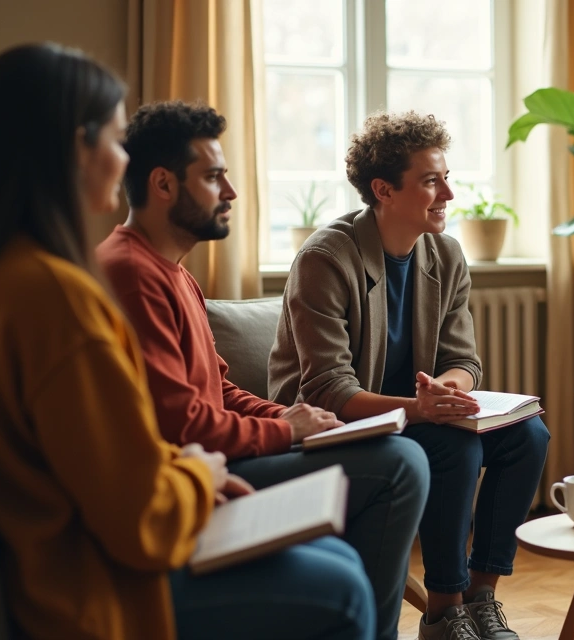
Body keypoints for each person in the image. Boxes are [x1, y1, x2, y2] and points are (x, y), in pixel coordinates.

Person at [0, 43, 374, 639]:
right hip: (83, 592)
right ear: (72, 149)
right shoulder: (55, 298)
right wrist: (200, 473)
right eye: (115, 141)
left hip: (43, 565)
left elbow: (92, 456)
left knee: (338, 561)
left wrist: (192, 467)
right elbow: (142, 518)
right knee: (344, 589)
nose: (123, 161)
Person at [97, 100, 429, 640]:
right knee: (401, 463)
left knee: (392, 466)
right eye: (213, 177)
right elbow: (183, 426)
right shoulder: (131, 274)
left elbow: (218, 390)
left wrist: (292, 418)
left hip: (221, 458)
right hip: (198, 477)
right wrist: (284, 432)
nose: (230, 192)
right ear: (163, 184)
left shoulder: (172, 272)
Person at [268, 111, 550, 640]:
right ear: (384, 190)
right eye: (430, 181)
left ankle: (481, 596)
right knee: (453, 446)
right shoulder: (325, 259)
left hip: (417, 415)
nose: (448, 193)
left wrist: (449, 390)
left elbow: (464, 360)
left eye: (447, 177)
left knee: (528, 435)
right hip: (334, 425)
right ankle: (444, 612)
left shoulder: (445, 254)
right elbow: (328, 388)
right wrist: (422, 410)